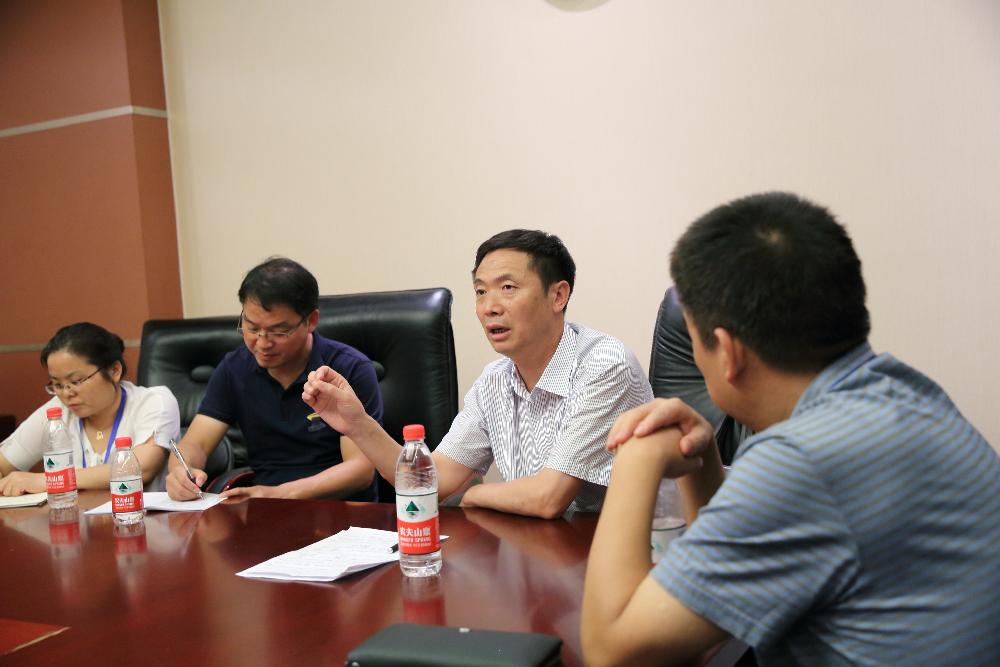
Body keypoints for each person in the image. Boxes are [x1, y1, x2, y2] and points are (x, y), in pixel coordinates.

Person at [581, 192, 1000, 666]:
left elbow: (611, 651)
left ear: (727, 352)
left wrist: (637, 454)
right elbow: (718, 596)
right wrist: (702, 462)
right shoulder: (904, 390)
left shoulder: (805, 462)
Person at [302, 229, 653, 518]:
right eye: (481, 291)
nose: (489, 307)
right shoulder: (494, 380)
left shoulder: (604, 364)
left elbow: (548, 498)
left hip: (629, 554)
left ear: (558, 295)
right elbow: (432, 480)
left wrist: (472, 497)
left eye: (508, 288)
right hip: (541, 552)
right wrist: (358, 424)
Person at [166, 257, 382, 501]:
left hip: (341, 509)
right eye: (251, 327)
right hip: (266, 508)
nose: (263, 343)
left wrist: (279, 494)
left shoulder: (349, 369)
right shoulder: (233, 369)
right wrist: (180, 471)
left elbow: (360, 470)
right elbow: (196, 443)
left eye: (279, 331)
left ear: (311, 321)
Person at [0, 322, 179, 494]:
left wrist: (50, 480)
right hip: (78, 515)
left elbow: (141, 468)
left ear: (114, 371)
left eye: (76, 381)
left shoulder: (154, 401)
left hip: (139, 513)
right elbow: (4, 464)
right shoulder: (59, 409)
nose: (66, 393)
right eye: (57, 385)